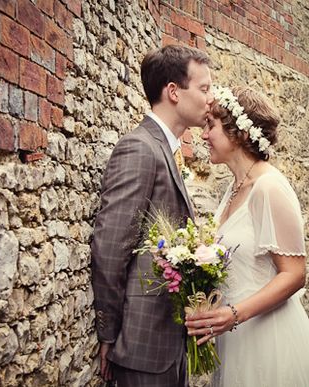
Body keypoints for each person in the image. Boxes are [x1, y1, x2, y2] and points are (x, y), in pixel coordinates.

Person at [185, 86, 309, 386]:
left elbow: (294, 274)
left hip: (268, 337)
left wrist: (234, 314)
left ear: (238, 134)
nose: (203, 135)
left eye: (211, 126)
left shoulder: (269, 187)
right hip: (236, 336)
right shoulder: (234, 188)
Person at [91, 45, 214, 387]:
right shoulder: (139, 148)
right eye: (204, 89)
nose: (211, 99)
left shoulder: (166, 150)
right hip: (142, 346)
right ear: (173, 91)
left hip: (169, 341)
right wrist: (109, 333)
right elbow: (111, 245)